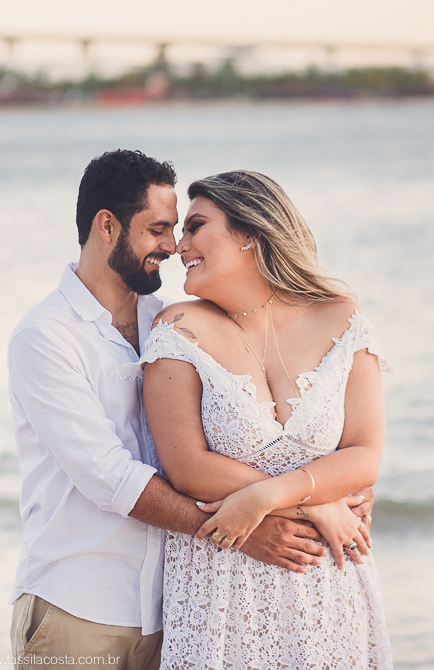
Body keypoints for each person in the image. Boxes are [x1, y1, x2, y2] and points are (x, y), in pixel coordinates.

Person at [7, 151, 374, 669]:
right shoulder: (45, 338)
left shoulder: (170, 323)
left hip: (172, 608)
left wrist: (329, 487)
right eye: (157, 230)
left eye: (178, 229)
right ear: (106, 226)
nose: (172, 247)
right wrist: (289, 510)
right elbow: (111, 478)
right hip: (80, 606)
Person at [135, 170, 392, 668]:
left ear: (250, 234)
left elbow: (365, 456)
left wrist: (270, 496)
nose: (179, 245)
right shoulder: (178, 327)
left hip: (327, 579)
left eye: (195, 227)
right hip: (223, 583)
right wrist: (317, 505)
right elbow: (187, 466)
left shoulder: (343, 318)